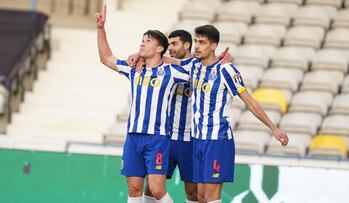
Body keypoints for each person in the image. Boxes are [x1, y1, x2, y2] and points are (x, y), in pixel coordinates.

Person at [179, 25, 289, 203]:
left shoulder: (226, 70)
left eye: (202, 42)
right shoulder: (194, 66)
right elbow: (170, 62)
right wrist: (142, 57)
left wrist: (274, 129)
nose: (197, 46)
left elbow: (250, 102)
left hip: (217, 139)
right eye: (196, 41)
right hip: (197, 138)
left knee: (211, 196)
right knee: (199, 196)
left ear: (213, 46)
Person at [96, 5, 190, 203]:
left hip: (157, 138)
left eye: (148, 41)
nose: (142, 43)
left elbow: (195, 69)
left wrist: (164, 58)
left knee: (156, 190)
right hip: (133, 136)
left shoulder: (171, 72)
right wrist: (101, 29)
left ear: (159, 48)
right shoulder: (134, 69)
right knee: (133, 187)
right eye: (142, 40)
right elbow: (106, 58)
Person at [142, 30, 198, 203]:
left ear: (187, 45)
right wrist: (138, 55)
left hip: (190, 138)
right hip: (165, 136)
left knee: (192, 191)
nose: (170, 48)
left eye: (174, 44)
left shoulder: (198, 67)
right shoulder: (166, 67)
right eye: (169, 44)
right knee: (151, 187)